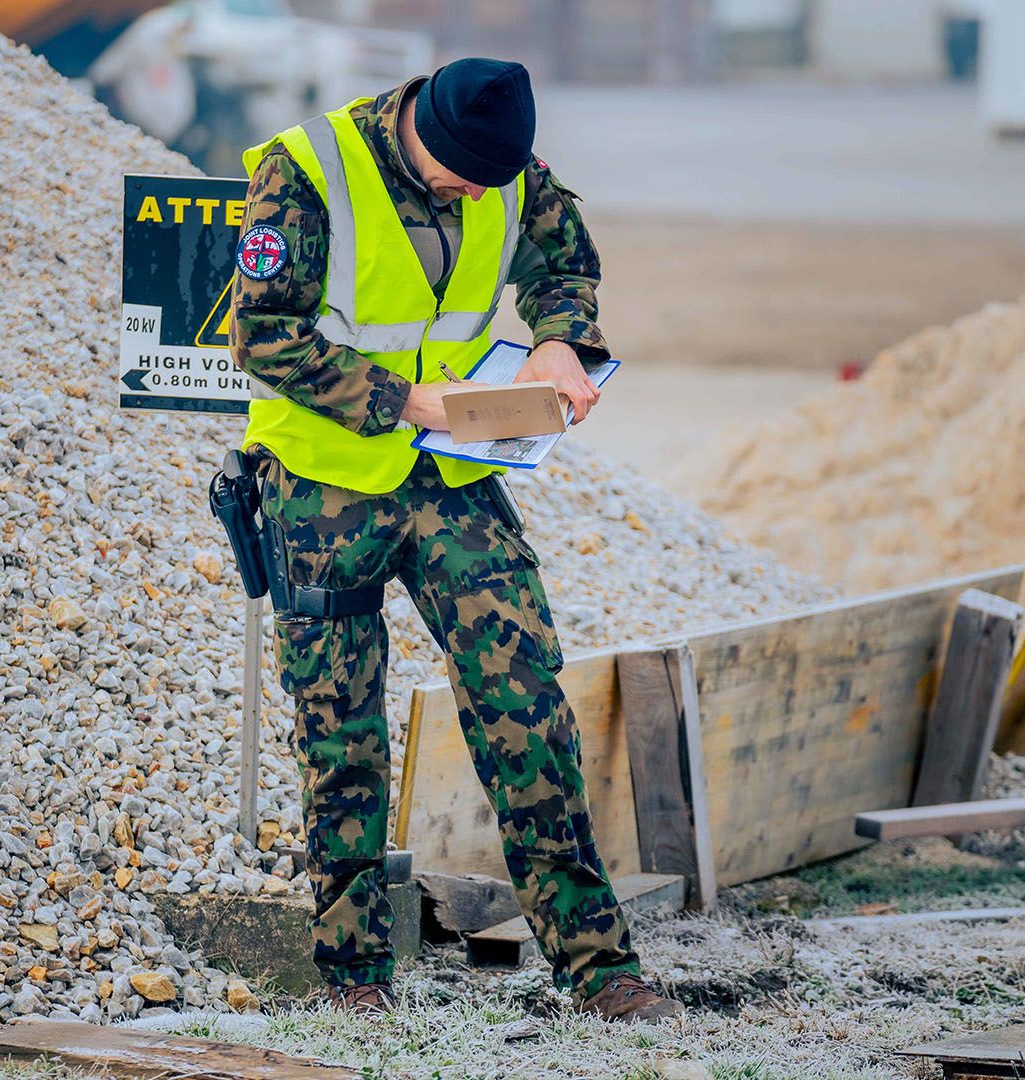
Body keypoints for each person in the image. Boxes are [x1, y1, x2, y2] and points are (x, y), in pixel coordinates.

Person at [228, 57, 683, 1023]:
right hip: (323, 484)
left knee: (525, 706)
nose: (477, 194)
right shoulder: (308, 171)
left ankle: (600, 968)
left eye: (491, 183)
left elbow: (563, 263)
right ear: (416, 126)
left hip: (459, 481)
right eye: (460, 178)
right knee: (339, 733)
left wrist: (564, 338)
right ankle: (354, 977)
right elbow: (261, 334)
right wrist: (400, 400)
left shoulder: (510, 169)